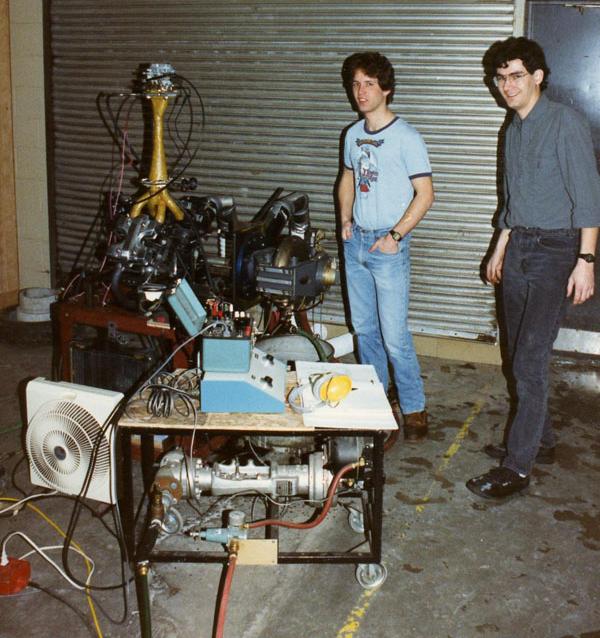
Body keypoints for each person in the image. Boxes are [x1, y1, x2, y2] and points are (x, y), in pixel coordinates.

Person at [467, 37, 600, 499]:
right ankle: (540, 440)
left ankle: (517, 467)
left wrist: (585, 261)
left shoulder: (566, 123)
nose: (506, 85)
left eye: (516, 75)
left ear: (538, 76)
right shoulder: (512, 129)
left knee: (530, 358)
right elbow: (512, 201)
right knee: (514, 352)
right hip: (520, 246)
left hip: (557, 252)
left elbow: (588, 199)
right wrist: (499, 249)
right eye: (500, 78)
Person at [338, 52, 434, 441]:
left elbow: (425, 194)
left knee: (394, 335)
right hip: (356, 242)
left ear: (386, 89)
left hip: (387, 247)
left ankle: (414, 407)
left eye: (369, 84)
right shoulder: (351, 134)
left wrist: (395, 236)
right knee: (364, 330)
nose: (360, 92)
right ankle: (377, 399)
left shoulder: (406, 137)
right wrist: (345, 219)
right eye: (356, 84)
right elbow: (346, 177)